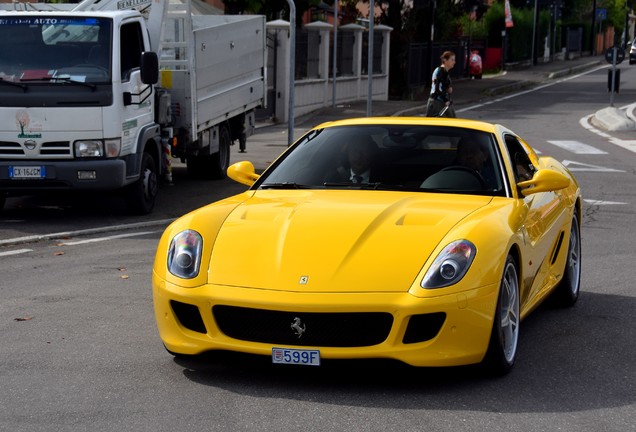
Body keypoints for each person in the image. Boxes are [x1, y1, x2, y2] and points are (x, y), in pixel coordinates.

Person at [425, 51, 456, 118]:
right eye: (452, 60)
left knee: (451, 123)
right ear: (445, 60)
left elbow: (444, 86)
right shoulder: (441, 71)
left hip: (441, 101)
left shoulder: (443, 71)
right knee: (442, 125)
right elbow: (437, 89)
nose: (454, 62)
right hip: (437, 102)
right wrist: (446, 100)